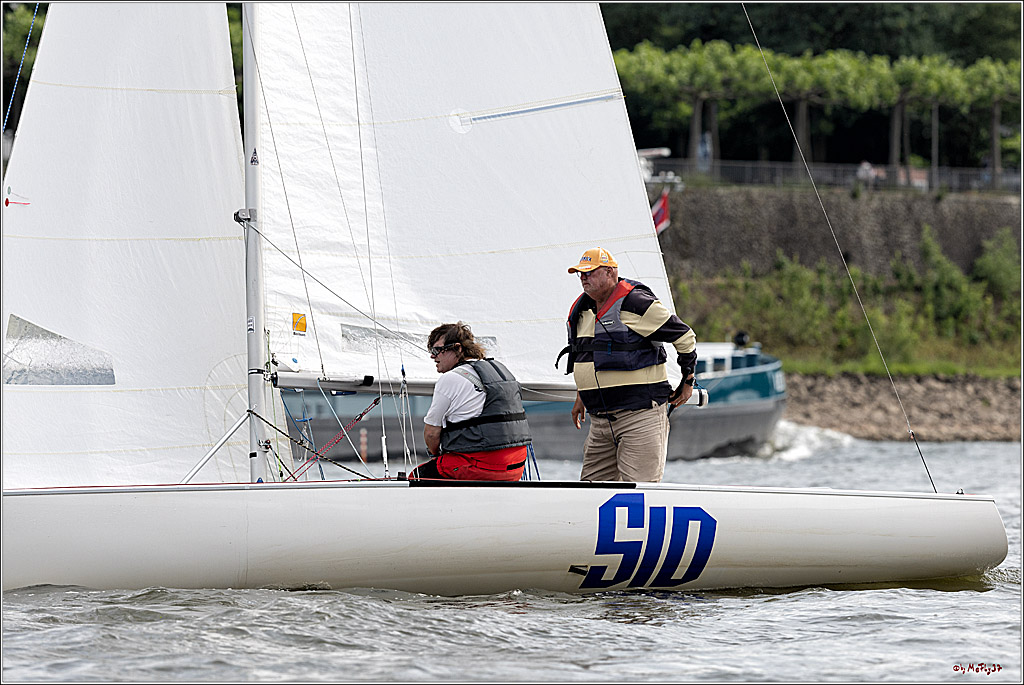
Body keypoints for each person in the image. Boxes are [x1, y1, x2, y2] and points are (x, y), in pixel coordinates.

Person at [557, 247, 697, 483]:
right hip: (600, 420)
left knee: (639, 494)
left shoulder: (635, 302)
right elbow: (588, 356)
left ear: (611, 273)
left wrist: (688, 379)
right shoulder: (581, 309)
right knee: (590, 496)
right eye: (580, 273)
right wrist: (583, 393)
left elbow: (684, 337)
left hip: (640, 416)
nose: (583, 277)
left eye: (589, 272)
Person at [410, 322, 532, 481]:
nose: (433, 356)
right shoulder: (502, 370)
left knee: (417, 477)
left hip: (483, 466)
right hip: (517, 467)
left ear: (458, 349)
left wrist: (435, 455)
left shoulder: (450, 379)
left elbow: (431, 434)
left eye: (437, 350)